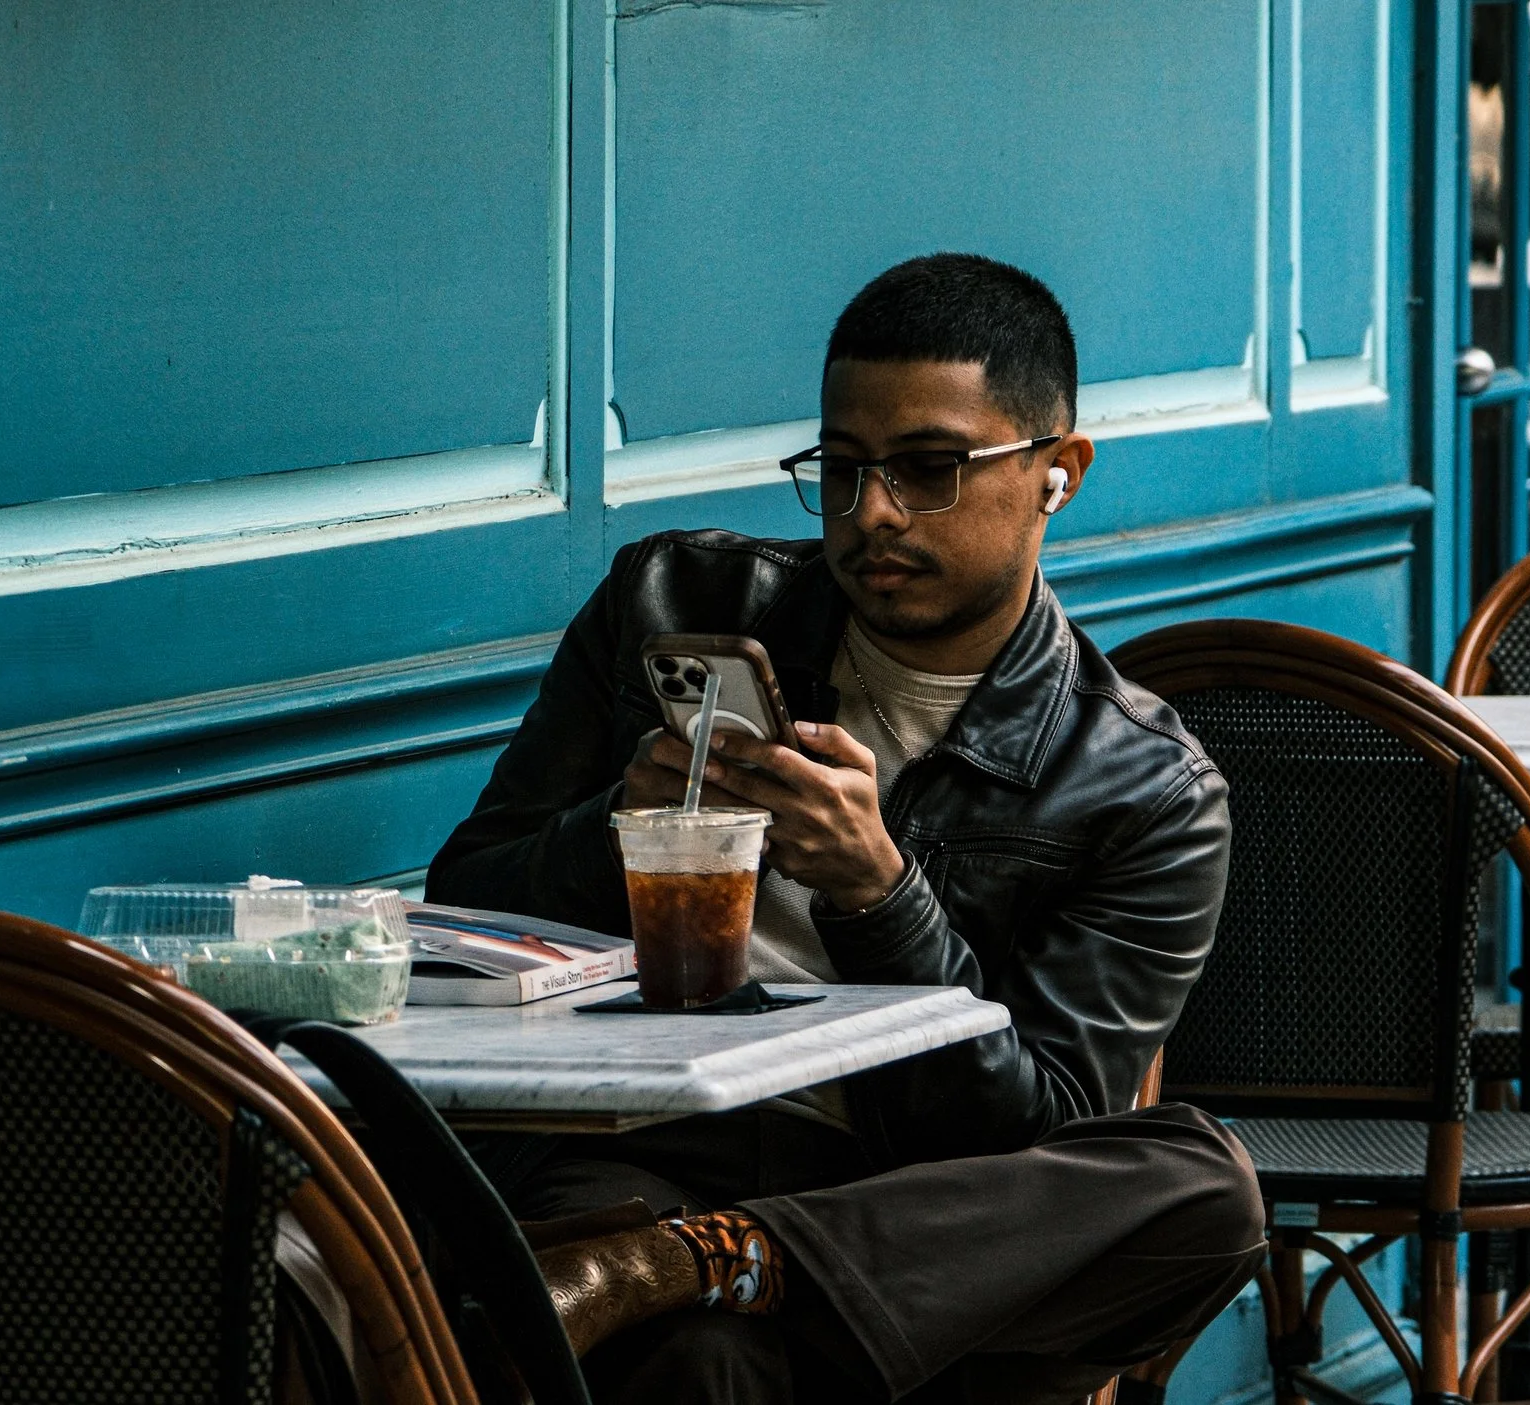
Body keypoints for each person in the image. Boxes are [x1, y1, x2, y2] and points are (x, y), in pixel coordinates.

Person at [427, 253, 1266, 1404]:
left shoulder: (1143, 786)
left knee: (1201, 1186)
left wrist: (880, 895)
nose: (871, 513)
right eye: (841, 468)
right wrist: (619, 827)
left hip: (897, 1192)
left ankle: (708, 1263)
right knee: (704, 1351)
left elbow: (1039, 1129)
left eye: (929, 469)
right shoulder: (668, 602)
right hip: (637, 1144)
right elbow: (465, 901)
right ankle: (705, 1266)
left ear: (1057, 472)